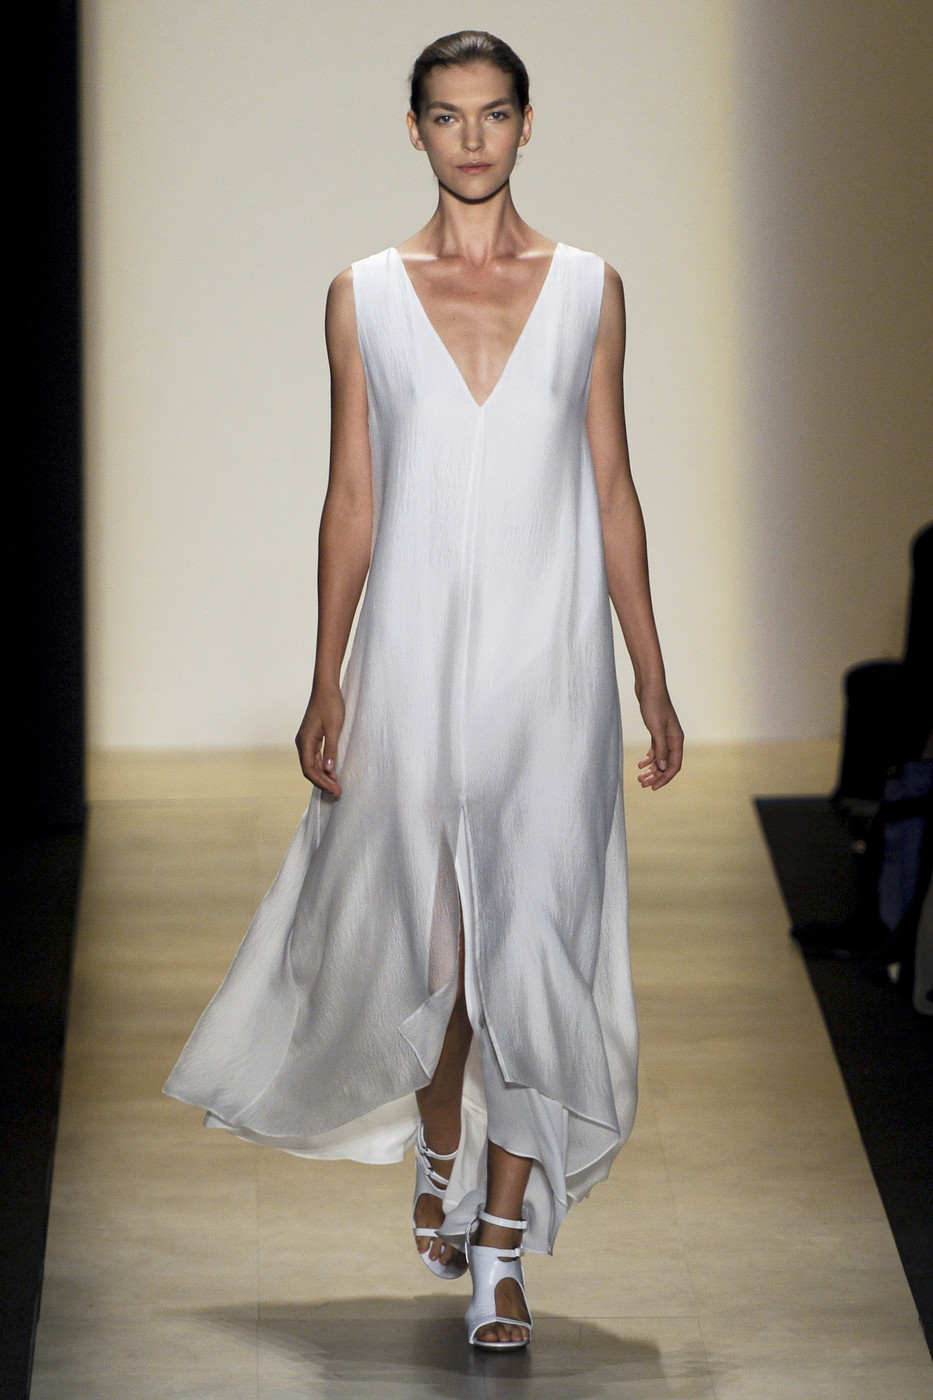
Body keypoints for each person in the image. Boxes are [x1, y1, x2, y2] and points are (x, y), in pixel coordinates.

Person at [164, 29, 683, 1352]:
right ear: (414, 129)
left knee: (532, 945)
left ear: (525, 124)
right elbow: (352, 496)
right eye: (447, 116)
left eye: (493, 114)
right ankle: (440, 1142)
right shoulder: (363, 297)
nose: (471, 138)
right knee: (440, 956)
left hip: (548, 672)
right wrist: (325, 676)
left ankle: (500, 1248)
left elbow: (612, 488)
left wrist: (649, 669)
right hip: (407, 667)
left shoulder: (590, 289)